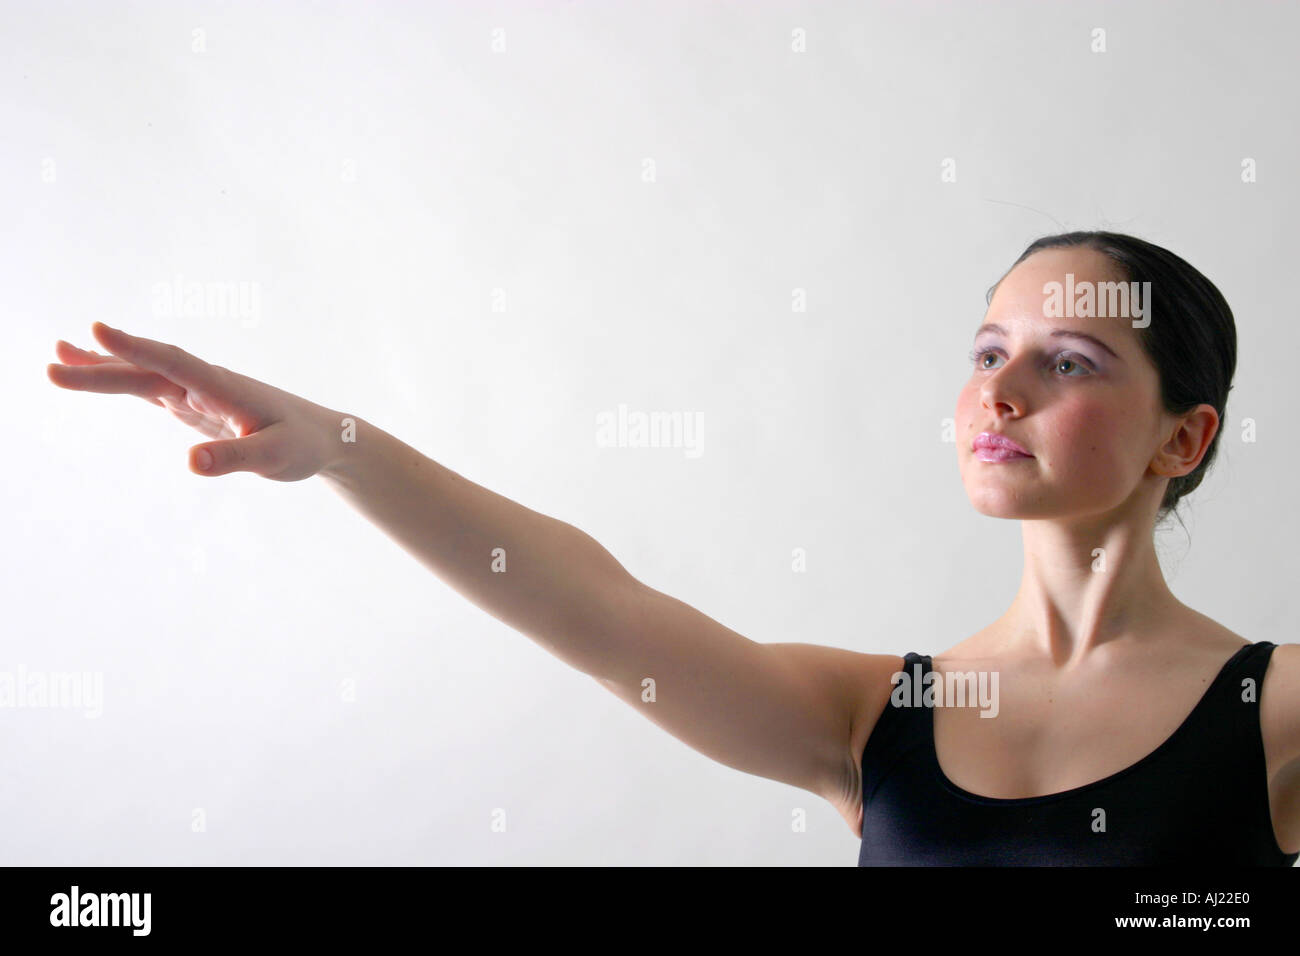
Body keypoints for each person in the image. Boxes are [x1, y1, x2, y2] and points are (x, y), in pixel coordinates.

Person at [46, 231, 1299, 865]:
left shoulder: (1276, 708)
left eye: (1066, 361)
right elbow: (595, 612)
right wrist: (342, 445)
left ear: (1179, 440)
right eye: (987, 350)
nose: (1000, 389)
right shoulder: (875, 716)